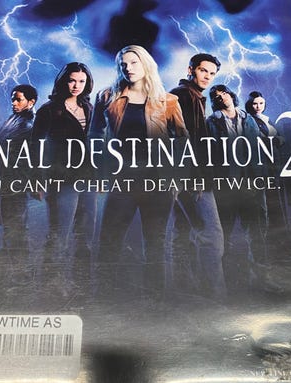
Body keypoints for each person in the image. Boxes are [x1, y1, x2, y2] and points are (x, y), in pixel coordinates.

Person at [90, 44, 187, 298]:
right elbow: (94, 135)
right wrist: (100, 172)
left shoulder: (168, 101)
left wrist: (177, 178)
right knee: (109, 240)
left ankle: (156, 300)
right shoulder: (106, 97)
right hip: (122, 179)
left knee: (155, 242)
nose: (128, 68)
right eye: (123, 64)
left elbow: (182, 141)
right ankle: (103, 297)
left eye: (134, 62)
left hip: (158, 181)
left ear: (146, 65)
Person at [32, 62, 96, 287]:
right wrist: (36, 181)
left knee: (85, 235)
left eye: (81, 81)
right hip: (61, 178)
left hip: (87, 178)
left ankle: (81, 284)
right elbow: (34, 147)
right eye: (72, 80)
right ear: (63, 81)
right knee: (59, 234)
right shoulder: (48, 110)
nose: (76, 85)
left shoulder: (89, 108)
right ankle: (51, 284)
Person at [169, 53, 226, 300]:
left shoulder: (192, 96)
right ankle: (216, 296)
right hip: (191, 178)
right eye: (203, 71)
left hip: (182, 177)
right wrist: (194, 177)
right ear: (190, 70)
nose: (208, 77)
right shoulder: (184, 95)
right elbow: (182, 141)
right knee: (211, 236)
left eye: (212, 74)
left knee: (185, 234)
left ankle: (187, 293)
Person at [207, 84, 269, 291]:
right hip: (227, 186)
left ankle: (260, 279)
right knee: (224, 235)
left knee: (256, 233)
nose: (221, 97)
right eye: (216, 96)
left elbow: (257, 149)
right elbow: (211, 154)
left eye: (224, 93)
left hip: (250, 184)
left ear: (231, 95)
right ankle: (228, 282)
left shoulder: (248, 119)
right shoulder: (212, 122)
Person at [0, 84, 38, 279]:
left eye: (18, 99)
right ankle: (10, 272)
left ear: (31, 102)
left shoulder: (27, 125)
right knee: (8, 227)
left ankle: (22, 274)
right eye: (13, 98)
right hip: (6, 182)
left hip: (15, 183)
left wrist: (32, 183)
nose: (13, 102)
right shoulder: (15, 119)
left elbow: (31, 158)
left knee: (16, 228)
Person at [245, 90, 288, 231]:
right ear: (250, 105)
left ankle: (280, 227)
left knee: (276, 196)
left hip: (275, 163)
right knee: (265, 198)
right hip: (262, 164)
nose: (258, 106)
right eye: (255, 103)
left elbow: (281, 138)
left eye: (261, 103)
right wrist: (275, 140)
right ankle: (267, 230)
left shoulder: (267, 119)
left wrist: (278, 140)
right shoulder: (249, 120)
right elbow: (254, 141)